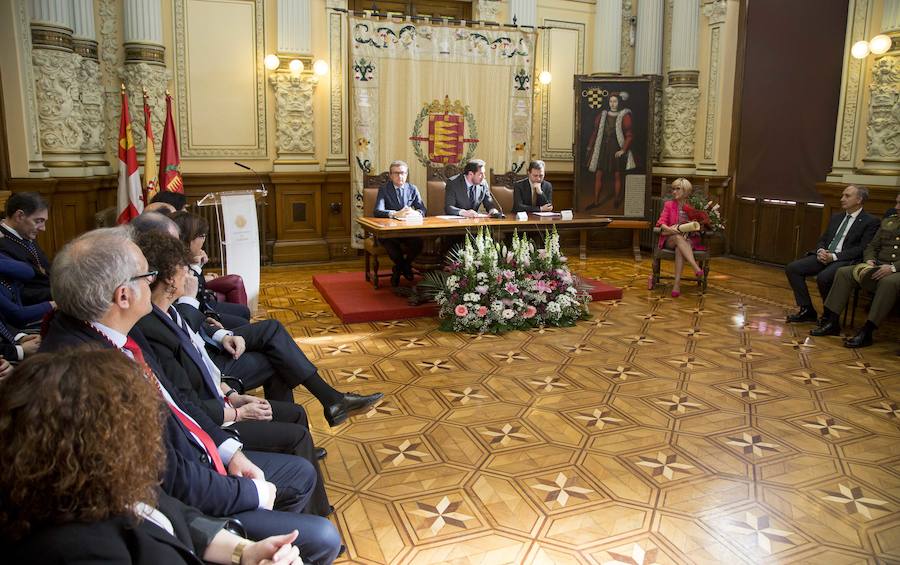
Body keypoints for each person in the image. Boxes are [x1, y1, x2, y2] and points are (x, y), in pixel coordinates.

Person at [38, 227, 342, 564]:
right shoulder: (84, 377)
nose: (153, 280)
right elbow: (164, 475)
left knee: (301, 483)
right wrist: (246, 495)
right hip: (177, 506)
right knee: (322, 537)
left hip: (194, 469)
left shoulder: (112, 334)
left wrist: (230, 452)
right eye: (147, 275)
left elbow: (178, 404)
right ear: (123, 296)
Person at [1, 349, 304, 565]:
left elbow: (177, 517)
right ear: (99, 440)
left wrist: (244, 552)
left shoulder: (99, 483)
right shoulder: (79, 550)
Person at [134, 231, 331, 516]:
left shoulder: (170, 313)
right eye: (183, 268)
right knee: (297, 435)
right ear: (171, 278)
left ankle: (316, 507)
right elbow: (184, 401)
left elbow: (201, 360)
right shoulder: (153, 328)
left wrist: (232, 394)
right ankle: (310, 517)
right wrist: (237, 412)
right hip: (211, 422)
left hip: (221, 397)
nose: (189, 274)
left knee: (296, 413)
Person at [785, 185, 879, 323]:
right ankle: (807, 310)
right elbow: (823, 239)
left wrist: (834, 257)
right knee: (793, 268)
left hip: (845, 259)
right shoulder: (836, 217)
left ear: (859, 200)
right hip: (825, 255)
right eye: (842, 195)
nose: (842, 199)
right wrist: (821, 250)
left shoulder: (870, 221)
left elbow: (862, 248)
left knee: (824, 278)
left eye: (847, 196)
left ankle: (829, 316)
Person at [810, 212, 900, 347]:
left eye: (899, 203)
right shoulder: (889, 221)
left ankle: (868, 331)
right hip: (878, 264)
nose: (896, 207)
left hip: (897, 270)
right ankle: (832, 321)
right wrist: (869, 260)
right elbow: (872, 246)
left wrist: (893, 268)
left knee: (888, 283)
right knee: (843, 272)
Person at [170, 211, 251, 327]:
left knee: (243, 311)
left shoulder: (185, 258)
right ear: (186, 238)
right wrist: (196, 266)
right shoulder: (175, 263)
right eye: (201, 236)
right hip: (196, 314)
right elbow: (197, 295)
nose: (204, 240)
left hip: (202, 307)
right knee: (243, 322)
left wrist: (198, 265)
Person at [373, 160, 427, 286]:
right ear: (391, 175)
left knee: (419, 243)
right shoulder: (384, 189)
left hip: (408, 231)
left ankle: (399, 268)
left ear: (406, 174)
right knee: (392, 246)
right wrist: (395, 214)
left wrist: (415, 212)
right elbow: (377, 211)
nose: (400, 176)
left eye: (403, 173)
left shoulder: (412, 188)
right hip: (389, 232)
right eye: (396, 173)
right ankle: (405, 267)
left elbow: (422, 209)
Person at [655, 178, 707, 298]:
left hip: (689, 239)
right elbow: (661, 222)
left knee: (680, 248)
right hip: (670, 239)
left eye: (678, 189)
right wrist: (670, 229)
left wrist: (695, 226)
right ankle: (695, 267)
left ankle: (676, 284)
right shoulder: (669, 205)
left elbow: (701, 224)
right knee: (678, 238)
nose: (674, 192)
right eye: (673, 189)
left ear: (686, 191)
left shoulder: (693, 206)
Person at [585, 92, 635, 212]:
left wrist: (623, 150)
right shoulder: (602, 115)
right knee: (599, 174)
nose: (613, 104)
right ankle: (596, 201)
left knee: (617, 175)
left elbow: (629, 135)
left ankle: (616, 200)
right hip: (602, 148)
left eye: (615, 101)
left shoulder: (624, 116)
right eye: (611, 101)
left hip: (615, 148)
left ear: (619, 102)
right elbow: (595, 132)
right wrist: (589, 146)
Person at [0, 192, 52, 304]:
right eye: (39, 221)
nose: (43, 228)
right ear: (19, 216)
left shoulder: (24, 233)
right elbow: (19, 293)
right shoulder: (2, 244)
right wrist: (61, 293)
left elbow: (45, 270)